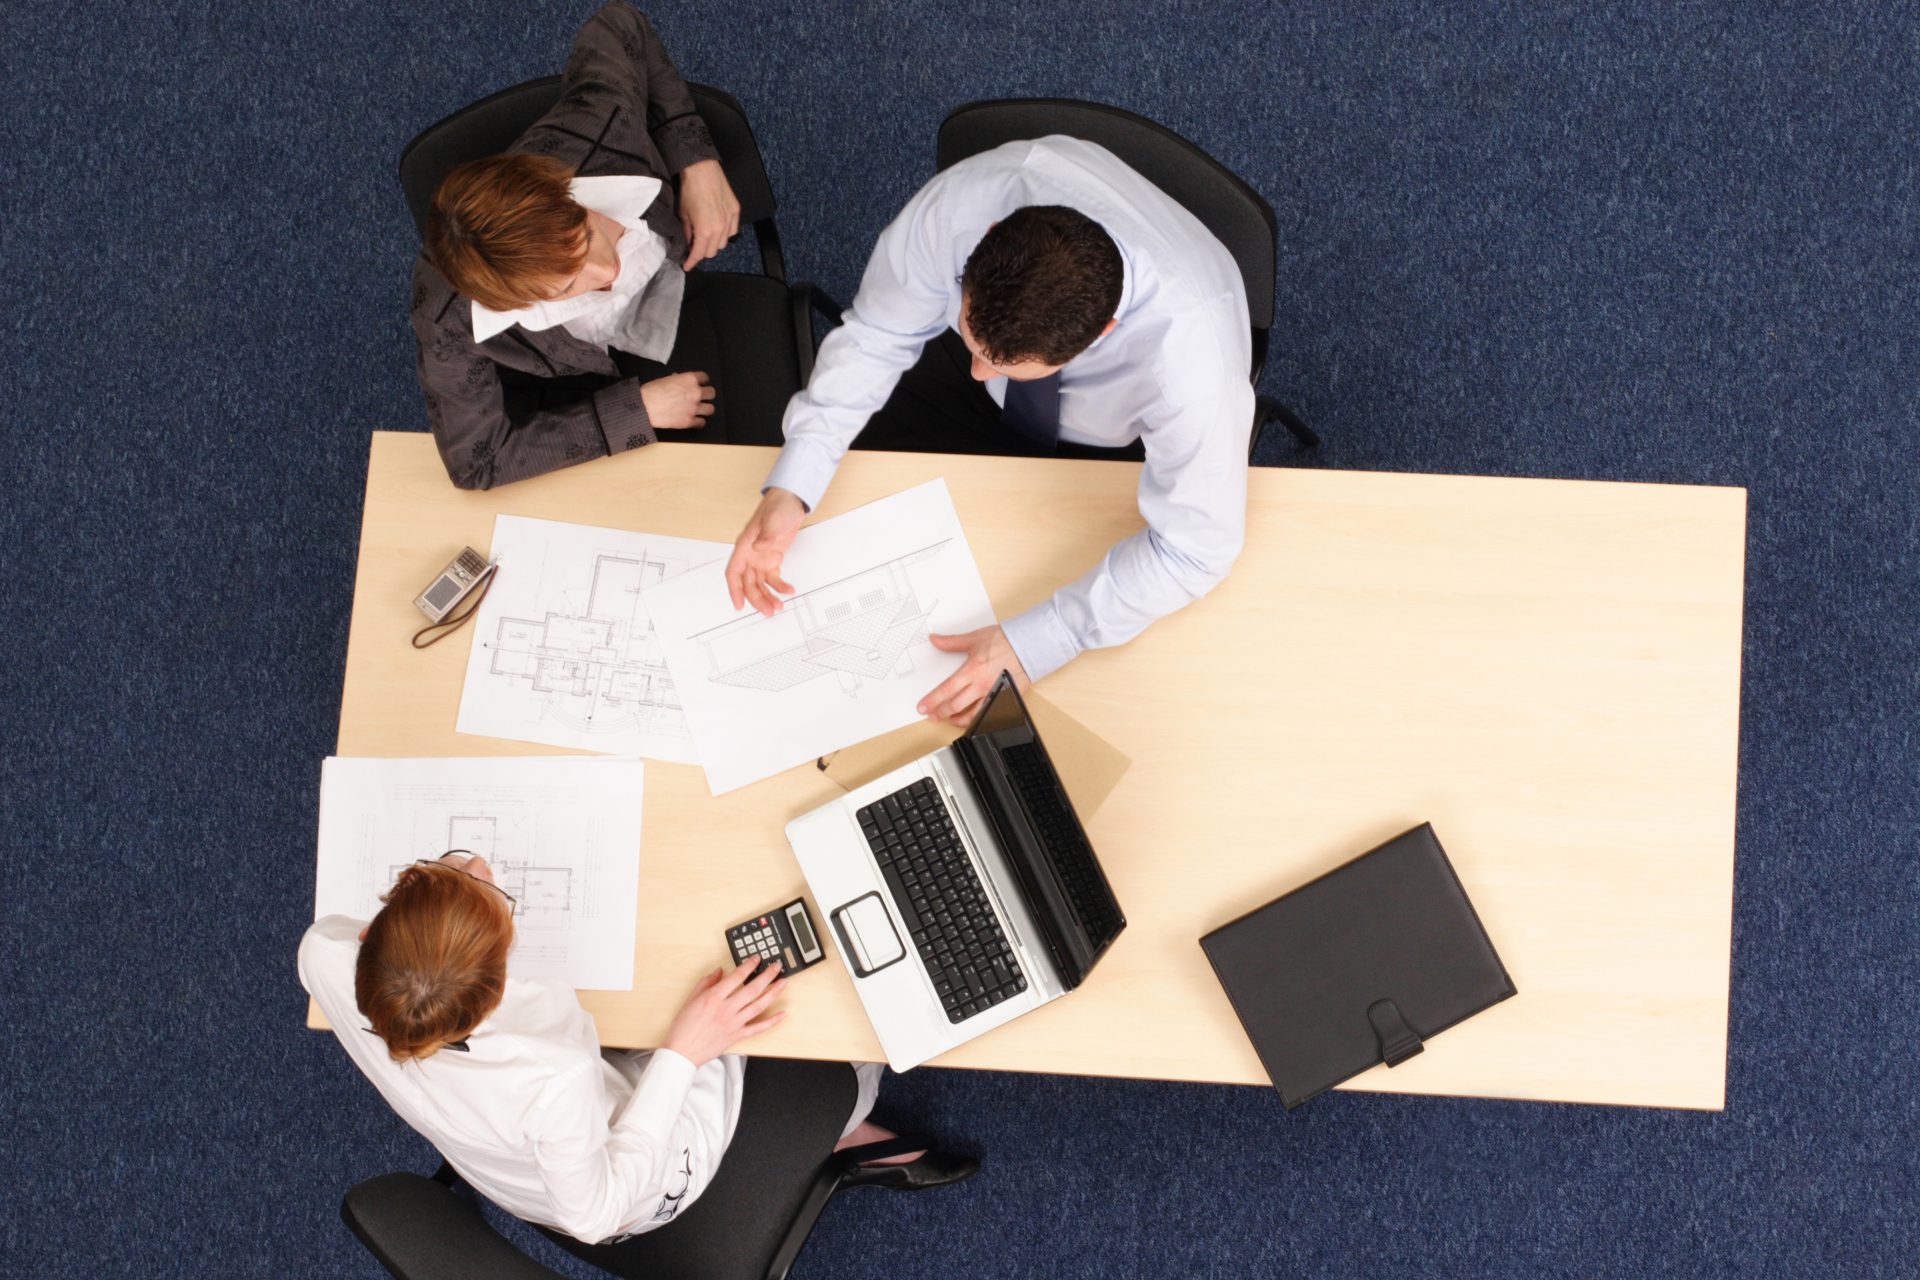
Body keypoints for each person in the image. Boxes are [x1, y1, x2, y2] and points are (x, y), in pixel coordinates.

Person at [724, 137, 1254, 723]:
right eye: (976, 343)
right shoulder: (964, 206)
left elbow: (1194, 550)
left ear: (1102, 333)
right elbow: (878, 335)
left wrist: (1040, 641)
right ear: (993, 233)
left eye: (1001, 365)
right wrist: (794, 483)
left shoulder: (1194, 369)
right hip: (977, 365)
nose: (980, 375)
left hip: (1112, 436)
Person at [299, 852, 975, 1245]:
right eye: (489, 891)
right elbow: (595, 1215)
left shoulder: (327, 957)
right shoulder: (553, 1078)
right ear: (496, 990)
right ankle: (842, 1124)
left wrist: (432, 933)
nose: (478, 863)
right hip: (637, 1180)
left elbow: (361, 945)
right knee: (836, 1020)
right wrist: (684, 1053)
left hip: (526, 1158)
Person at [411, 3, 771, 490]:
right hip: (566, 381)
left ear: (567, 194)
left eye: (585, 236)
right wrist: (635, 412)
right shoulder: (449, 318)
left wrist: (696, 160)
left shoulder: (603, 123)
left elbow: (621, 22)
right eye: (564, 286)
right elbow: (477, 465)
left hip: (673, 299)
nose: (607, 271)